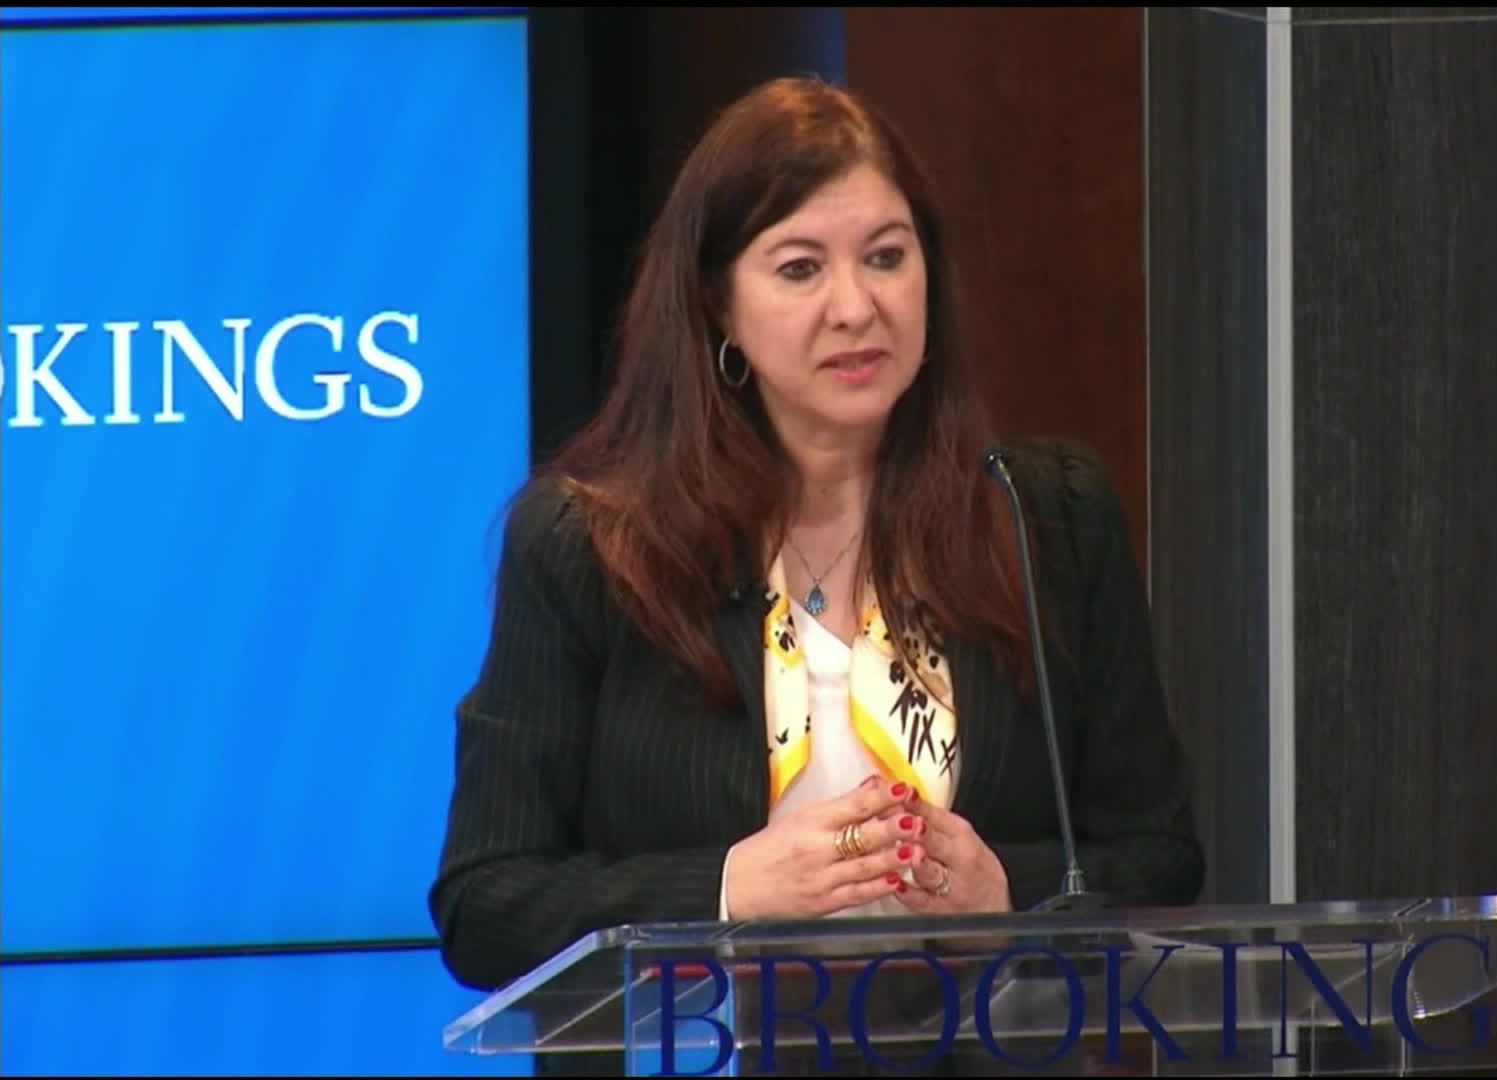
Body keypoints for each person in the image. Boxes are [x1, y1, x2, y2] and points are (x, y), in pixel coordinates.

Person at [427, 75, 1205, 1007]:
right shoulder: (590, 548)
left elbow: (1160, 858)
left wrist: (1008, 895)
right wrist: (729, 891)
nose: (856, 307)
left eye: (886, 257)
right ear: (718, 304)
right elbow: (486, 906)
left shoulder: (1045, 519)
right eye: (800, 269)